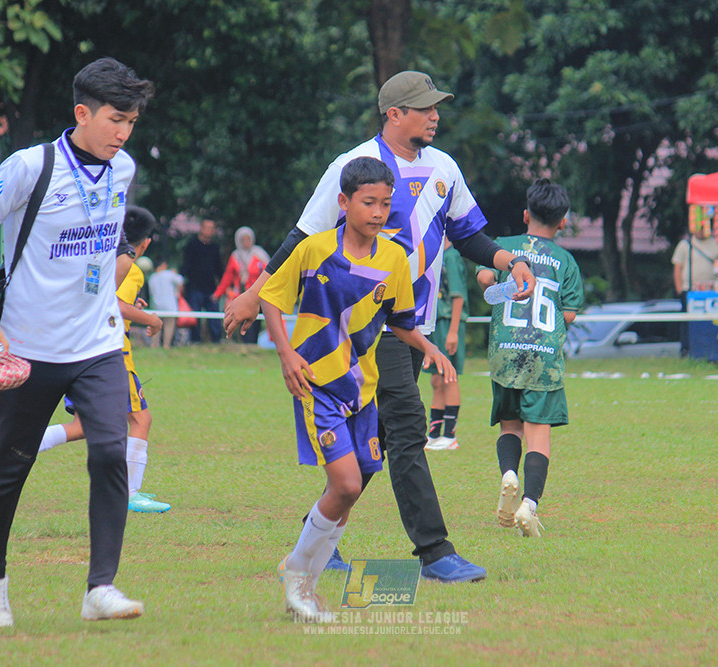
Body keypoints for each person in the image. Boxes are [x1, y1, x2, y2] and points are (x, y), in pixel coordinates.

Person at [224, 70, 536, 583]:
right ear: (394, 114)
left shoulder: (445, 168)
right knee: (411, 429)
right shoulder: (352, 167)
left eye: (437, 107)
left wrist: (509, 260)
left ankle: (315, 534)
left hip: (414, 326)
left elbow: (471, 236)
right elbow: (303, 236)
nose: (435, 115)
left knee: (380, 440)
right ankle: (435, 552)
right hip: (367, 333)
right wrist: (253, 294)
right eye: (424, 107)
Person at [0, 57, 154, 627]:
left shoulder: (123, 170)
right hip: (27, 350)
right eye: (116, 119)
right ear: (82, 113)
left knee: (111, 449)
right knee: (11, 468)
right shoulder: (29, 166)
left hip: (97, 343)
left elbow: (101, 234)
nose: (123, 132)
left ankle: (101, 587)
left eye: (132, 122)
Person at [260, 157, 456, 622]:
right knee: (346, 483)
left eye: (386, 203)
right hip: (319, 386)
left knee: (350, 491)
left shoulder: (393, 259)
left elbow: (401, 323)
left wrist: (432, 348)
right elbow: (271, 298)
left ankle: (301, 569)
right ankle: (298, 576)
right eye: (369, 202)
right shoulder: (314, 251)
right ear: (344, 203)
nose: (378, 211)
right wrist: (288, 354)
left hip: (362, 391)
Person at [38, 205, 172, 514]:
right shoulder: (129, 262)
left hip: (79, 343)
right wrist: (148, 318)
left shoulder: (102, 251)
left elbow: (98, 294)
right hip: (111, 349)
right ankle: (130, 494)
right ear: (147, 242)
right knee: (141, 419)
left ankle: (17, 444)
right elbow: (109, 301)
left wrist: (130, 307)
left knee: (84, 425)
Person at [476, 179, 584, 538]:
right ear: (563, 222)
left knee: (510, 425)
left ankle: (509, 473)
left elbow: (484, 275)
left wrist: (495, 283)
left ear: (525, 215)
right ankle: (529, 505)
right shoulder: (565, 261)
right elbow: (568, 314)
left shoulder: (505, 247)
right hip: (543, 358)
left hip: (504, 353)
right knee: (539, 434)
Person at [424, 235, 469, 452]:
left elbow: (458, 296)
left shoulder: (451, 257)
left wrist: (453, 332)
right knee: (436, 379)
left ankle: (450, 435)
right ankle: (433, 434)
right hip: (433, 324)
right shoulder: (434, 256)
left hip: (447, 323)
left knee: (449, 377)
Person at [214, 226, 270, 343]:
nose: (246, 242)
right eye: (243, 240)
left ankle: (253, 343)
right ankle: (247, 343)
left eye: (248, 239)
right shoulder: (235, 256)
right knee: (245, 319)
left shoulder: (259, 255)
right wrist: (218, 293)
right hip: (242, 294)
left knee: (257, 321)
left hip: (259, 294)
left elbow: (269, 274)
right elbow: (228, 277)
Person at [181, 218, 224, 343]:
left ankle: (216, 340)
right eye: (207, 227)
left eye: (211, 228)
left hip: (210, 287)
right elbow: (186, 265)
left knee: (214, 316)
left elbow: (218, 268)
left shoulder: (215, 248)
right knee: (195, 315)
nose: (209, 231)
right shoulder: (192, 244)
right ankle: (195, 340)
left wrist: (223, 285)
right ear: (201, 228)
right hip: (194, 287)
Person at [672, 217, 718, 295]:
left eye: (703, 227)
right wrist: (679, 290)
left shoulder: (717, 245)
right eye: (698, 227)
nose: (700, 230)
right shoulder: (685, 245)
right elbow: (678, 268)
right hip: (689, 290)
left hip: (712, 291)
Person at [147, 257, 184, 349]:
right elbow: (180, 280)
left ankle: (154, 344)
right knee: (169, 326)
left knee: (155, 325)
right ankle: (166, 345)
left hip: (156, 306)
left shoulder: (152, 277)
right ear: (163, 265)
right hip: (170, 306)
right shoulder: (169, 274)